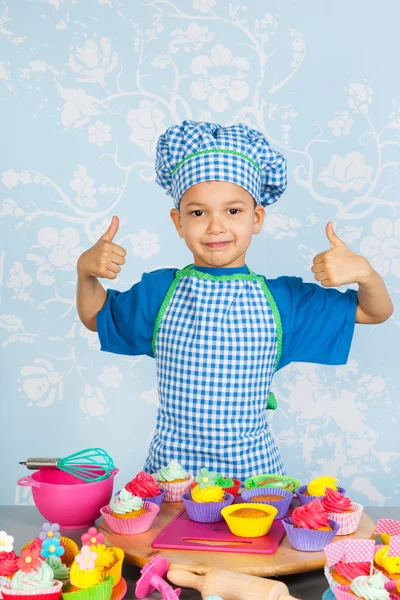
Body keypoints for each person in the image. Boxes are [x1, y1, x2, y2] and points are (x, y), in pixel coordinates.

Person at [76, 119, 393, 481]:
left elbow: (374, 311)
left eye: (233, 210)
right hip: (171, 483)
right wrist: (85, 272)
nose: (216, 226)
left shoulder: (284, 302)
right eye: (198, 212)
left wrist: (365, 274)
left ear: (256, 218)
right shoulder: (159, 292)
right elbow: (95, 316)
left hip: (253, 484)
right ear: (178, 222)